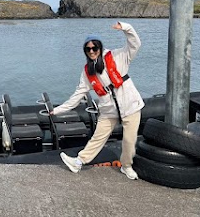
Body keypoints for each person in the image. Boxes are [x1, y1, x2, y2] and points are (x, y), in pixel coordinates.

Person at [51, 21, 144, 180]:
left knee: (129, 141)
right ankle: (78, 162)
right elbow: (77, 95)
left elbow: (135, 44)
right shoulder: (87, 72)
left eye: (95, 48)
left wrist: (126, 28)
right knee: (97, 138)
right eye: (88, 49)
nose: (92, 51)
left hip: (130, 105)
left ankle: (126, 166)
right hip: (108, 110)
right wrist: (58, 110)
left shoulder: (118, 56)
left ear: (100, 47)